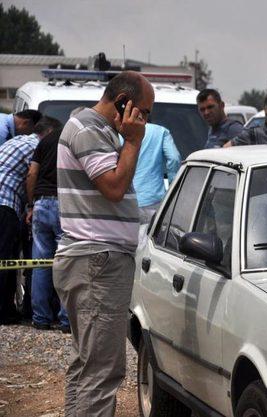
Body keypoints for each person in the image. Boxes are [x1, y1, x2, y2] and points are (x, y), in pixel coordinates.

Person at [53, 71, 153, 416]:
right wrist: (134, 142)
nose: (144, 119)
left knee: (87, 366)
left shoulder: (95, 129)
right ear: (124, 103)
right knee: (102, 371)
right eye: (144, 111)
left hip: (95, 259)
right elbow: (113, 188)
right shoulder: (89, 129)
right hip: (98, 261)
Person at [0, 116, 61, 325]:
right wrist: (30, 205)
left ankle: (29, 314)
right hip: (5, 204)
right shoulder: (38, 145)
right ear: (50, 133)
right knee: (7, 258)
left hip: (9, 201)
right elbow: (32, 175)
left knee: (12, 260)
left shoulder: (16, 140)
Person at [25, 127, 70, 332]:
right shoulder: (76, 138)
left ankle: (41, 318)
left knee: (41, 263)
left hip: (41, 204)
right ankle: (66, 320)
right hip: (66, 205)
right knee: (67, 263)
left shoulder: (46, 140)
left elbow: (32, 172)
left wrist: (31, 204)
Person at [123, 123, 181, 223]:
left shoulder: (123, 132)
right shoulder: (161, 131)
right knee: (151, 237)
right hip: (154, 200)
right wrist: (171, 185)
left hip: (127, 199)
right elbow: (174, 158)